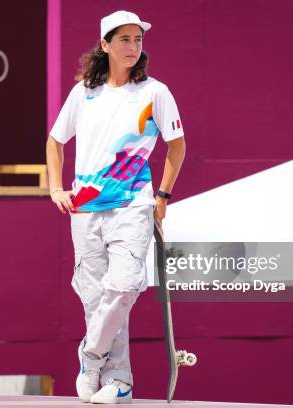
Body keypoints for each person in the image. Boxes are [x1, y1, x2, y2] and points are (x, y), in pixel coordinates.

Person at [46, 10, 186, 404]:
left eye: (138, 39)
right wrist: (56, 188)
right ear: (105, 45)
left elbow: (177, 146)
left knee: (123, 287)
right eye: (124, 39)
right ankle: (119, 379)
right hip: (85, 208)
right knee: (96, 297)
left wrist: (163, 195)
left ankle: (89, 358)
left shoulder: (155, 92)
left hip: (132, 205)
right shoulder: (83, 93)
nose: (133, 46)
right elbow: (55, 141)